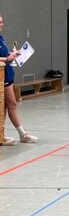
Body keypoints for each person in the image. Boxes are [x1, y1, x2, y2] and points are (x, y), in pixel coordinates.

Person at [0, 14, 38, 144]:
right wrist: (7, 59)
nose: (2, 24)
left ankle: (1, 134)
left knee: (5, 107)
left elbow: (4, 55)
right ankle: (22, 134)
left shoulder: (1, 38)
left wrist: (12, 54)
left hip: (8, 75)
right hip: (1, 78)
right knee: (11, 104)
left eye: (2, 22)